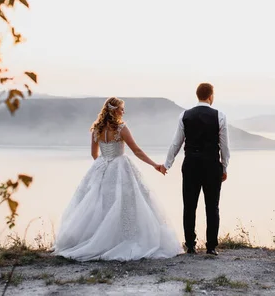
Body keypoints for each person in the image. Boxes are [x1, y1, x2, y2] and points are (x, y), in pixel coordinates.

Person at [53, 97, 181, 261]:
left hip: (101, 167)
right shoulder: (121, 128)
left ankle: (98, 240)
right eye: (121, 109)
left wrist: (103, 165)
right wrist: (155, 165)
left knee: (101, 204)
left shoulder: (96, 129)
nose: (123, 111)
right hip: (120, 167)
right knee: (124, 204)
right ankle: (119, 240)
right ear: (115, 111)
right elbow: (137, 151)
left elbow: (94, 154)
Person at [162, 83, 230, 255]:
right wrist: (224, 167)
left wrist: (167, 164)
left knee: (189, 205)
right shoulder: (220, 116)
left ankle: (191, 245)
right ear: (211, 96)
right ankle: (211, 247)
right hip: (212, 165)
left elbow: (176, 143)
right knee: (212, 206)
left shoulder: (184, 115)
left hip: (191, 164)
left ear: (197, 95)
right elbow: (224, 146)